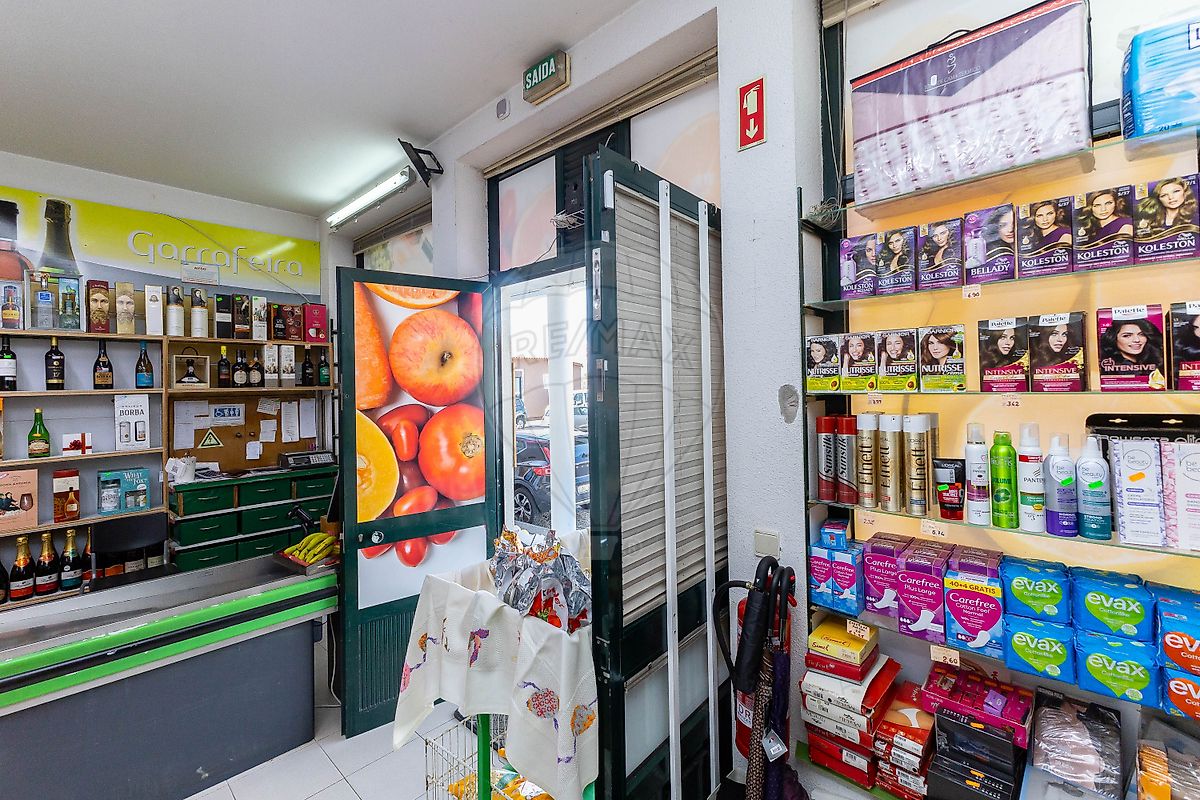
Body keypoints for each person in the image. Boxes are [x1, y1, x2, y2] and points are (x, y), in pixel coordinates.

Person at [1099, 318, 1164, 379]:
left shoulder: (1154, 360)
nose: (1137, 340)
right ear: (1113, 338)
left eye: (1141, 334)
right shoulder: (1110, 366)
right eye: (1127, 336)